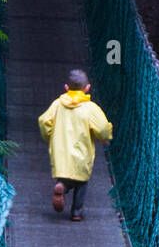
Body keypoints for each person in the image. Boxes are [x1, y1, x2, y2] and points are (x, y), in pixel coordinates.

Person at [37, 69, 113, 222]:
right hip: (82, 153)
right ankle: (76, 212)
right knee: (81, 182)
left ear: (66, 87)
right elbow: (103, 127)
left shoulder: (57, 105)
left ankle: (62, 187)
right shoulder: (90, 108)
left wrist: (49, 136)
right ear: (87, 88)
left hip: (60, 153)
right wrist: (105, 138)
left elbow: (43, 121)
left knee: (65, 176)